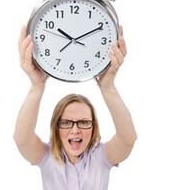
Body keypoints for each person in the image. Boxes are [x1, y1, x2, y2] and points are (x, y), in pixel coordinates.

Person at [14, 26, 137, 190]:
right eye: (66, 122)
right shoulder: (48, 157)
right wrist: (36, 86)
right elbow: (22, 139)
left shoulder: (101, 157)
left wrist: (108, 88)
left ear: (93, 127)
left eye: (84, 122)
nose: (75, 130)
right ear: (56, 128)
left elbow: (128, 139)